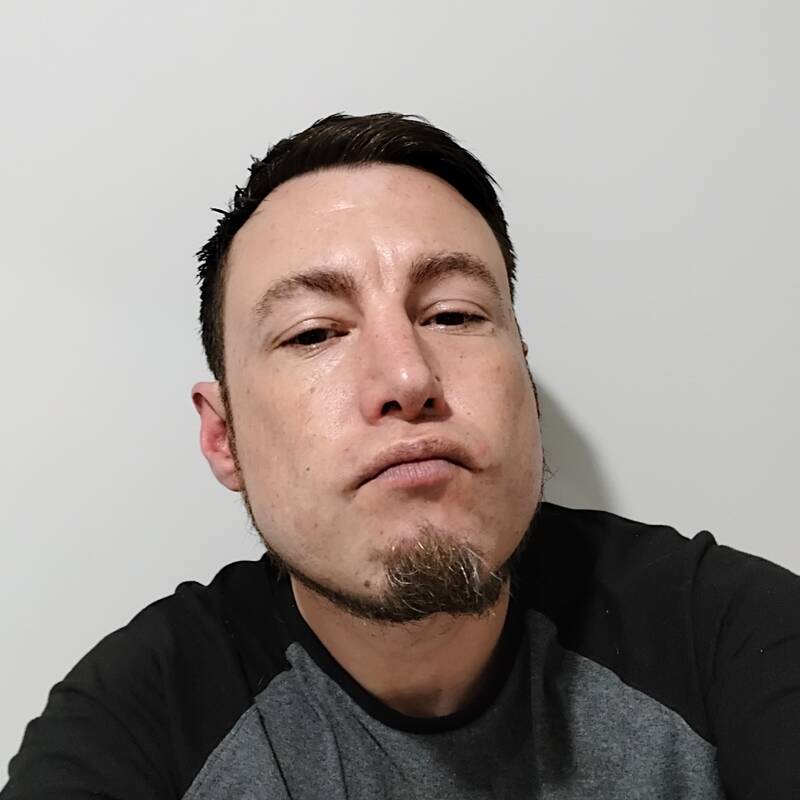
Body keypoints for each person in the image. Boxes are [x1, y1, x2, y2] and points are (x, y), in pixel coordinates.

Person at [3, 113, 799, 800]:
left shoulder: (724, 634)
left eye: (454, 315)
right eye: (314, 333)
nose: (408, 378)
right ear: (224, 438)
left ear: (524, 383)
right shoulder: (140, 725)